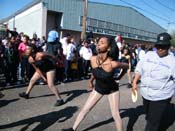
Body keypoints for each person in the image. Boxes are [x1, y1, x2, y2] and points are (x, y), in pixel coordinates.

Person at [62, 36, 129, 131]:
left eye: (102, 43)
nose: (98, 44)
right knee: (85, 109)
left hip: (112, 89)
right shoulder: (93, 59)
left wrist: (119, 77)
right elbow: (95, 71)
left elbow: (126, 66)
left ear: (108, 48)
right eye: (98, 42)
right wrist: (91, 81)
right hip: (99, 88)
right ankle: (73, 129)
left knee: (115, 114)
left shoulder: (112, 63)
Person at [132, 32, 175, 131]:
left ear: (168, 47)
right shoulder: (149, 55)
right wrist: (134, 82)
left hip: (161, 96)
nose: (160, 49)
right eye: (158, 46)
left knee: (152, 123)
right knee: (149, 115)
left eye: (163, 47)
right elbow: (139, 69)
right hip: (146, 94)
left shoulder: (173, 61)